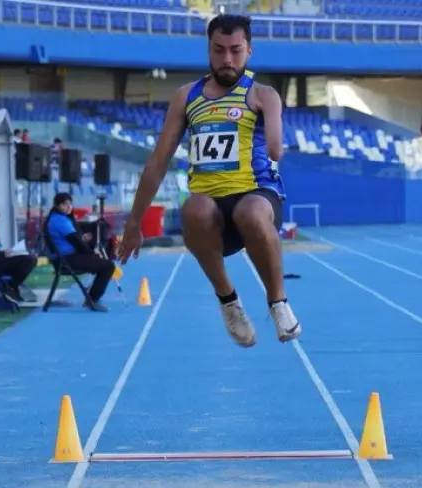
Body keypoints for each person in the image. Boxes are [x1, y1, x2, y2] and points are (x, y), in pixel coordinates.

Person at [116, 14, 300, 347]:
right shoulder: (187, 97)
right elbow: (158, 161)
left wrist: (274, 140)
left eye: (235, 50)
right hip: (212, 205)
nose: (227, 60)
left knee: (251, 212)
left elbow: (276, 147)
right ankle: (229, 301)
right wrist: (133, 223)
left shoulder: (263, 94)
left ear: (249, 51)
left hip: (257, 195)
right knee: (193, 210)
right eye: (218, 50)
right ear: (208, 50)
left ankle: (278, 302)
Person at [46, 192, 115, 312]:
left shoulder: (58, 218)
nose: (68, 207)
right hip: (66, 260)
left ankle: (91, 297)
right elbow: (76, 243)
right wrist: (92, 254)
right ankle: (92, 300)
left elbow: (72, 240)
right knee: (108, 266)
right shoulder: (60, 221)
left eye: (70, 204)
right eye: (64, 204)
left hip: (66, 257)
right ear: (57, 206)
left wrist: (82, 241)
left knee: (101, 263)